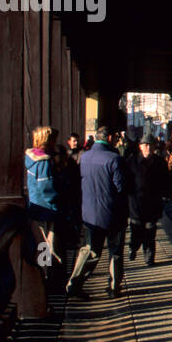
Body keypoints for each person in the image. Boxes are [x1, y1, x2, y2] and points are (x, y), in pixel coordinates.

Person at [65, 127, 127, 299]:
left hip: (90, 213)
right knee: (115, 251)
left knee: (90, 250)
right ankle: (114, 287)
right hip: (113, 213)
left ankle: (74, 283)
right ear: (108, 138)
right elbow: (121, 188)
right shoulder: (115, 159)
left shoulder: (84, 157)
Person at [24, 126, 63, 284]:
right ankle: (46, 278)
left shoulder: (30, 158)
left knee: (41, 244)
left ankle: (42, 276)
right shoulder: (45, 161)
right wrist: (57, 199)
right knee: (48, 245)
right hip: (46, 208)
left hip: (34, 205)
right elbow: (46, 186)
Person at [128, 134, 172, 265]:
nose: (147, 147)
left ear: (154, 147)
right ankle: (133, 247)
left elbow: (167, 180)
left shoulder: (159, 162)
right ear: (140, 146)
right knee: (136, 229)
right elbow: (126, 181)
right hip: (135, 203)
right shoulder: (132, 161)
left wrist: (167, 194)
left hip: (153, 203)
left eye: (150, 145)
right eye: (145, 145)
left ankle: (149, 257)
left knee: (150, 231)